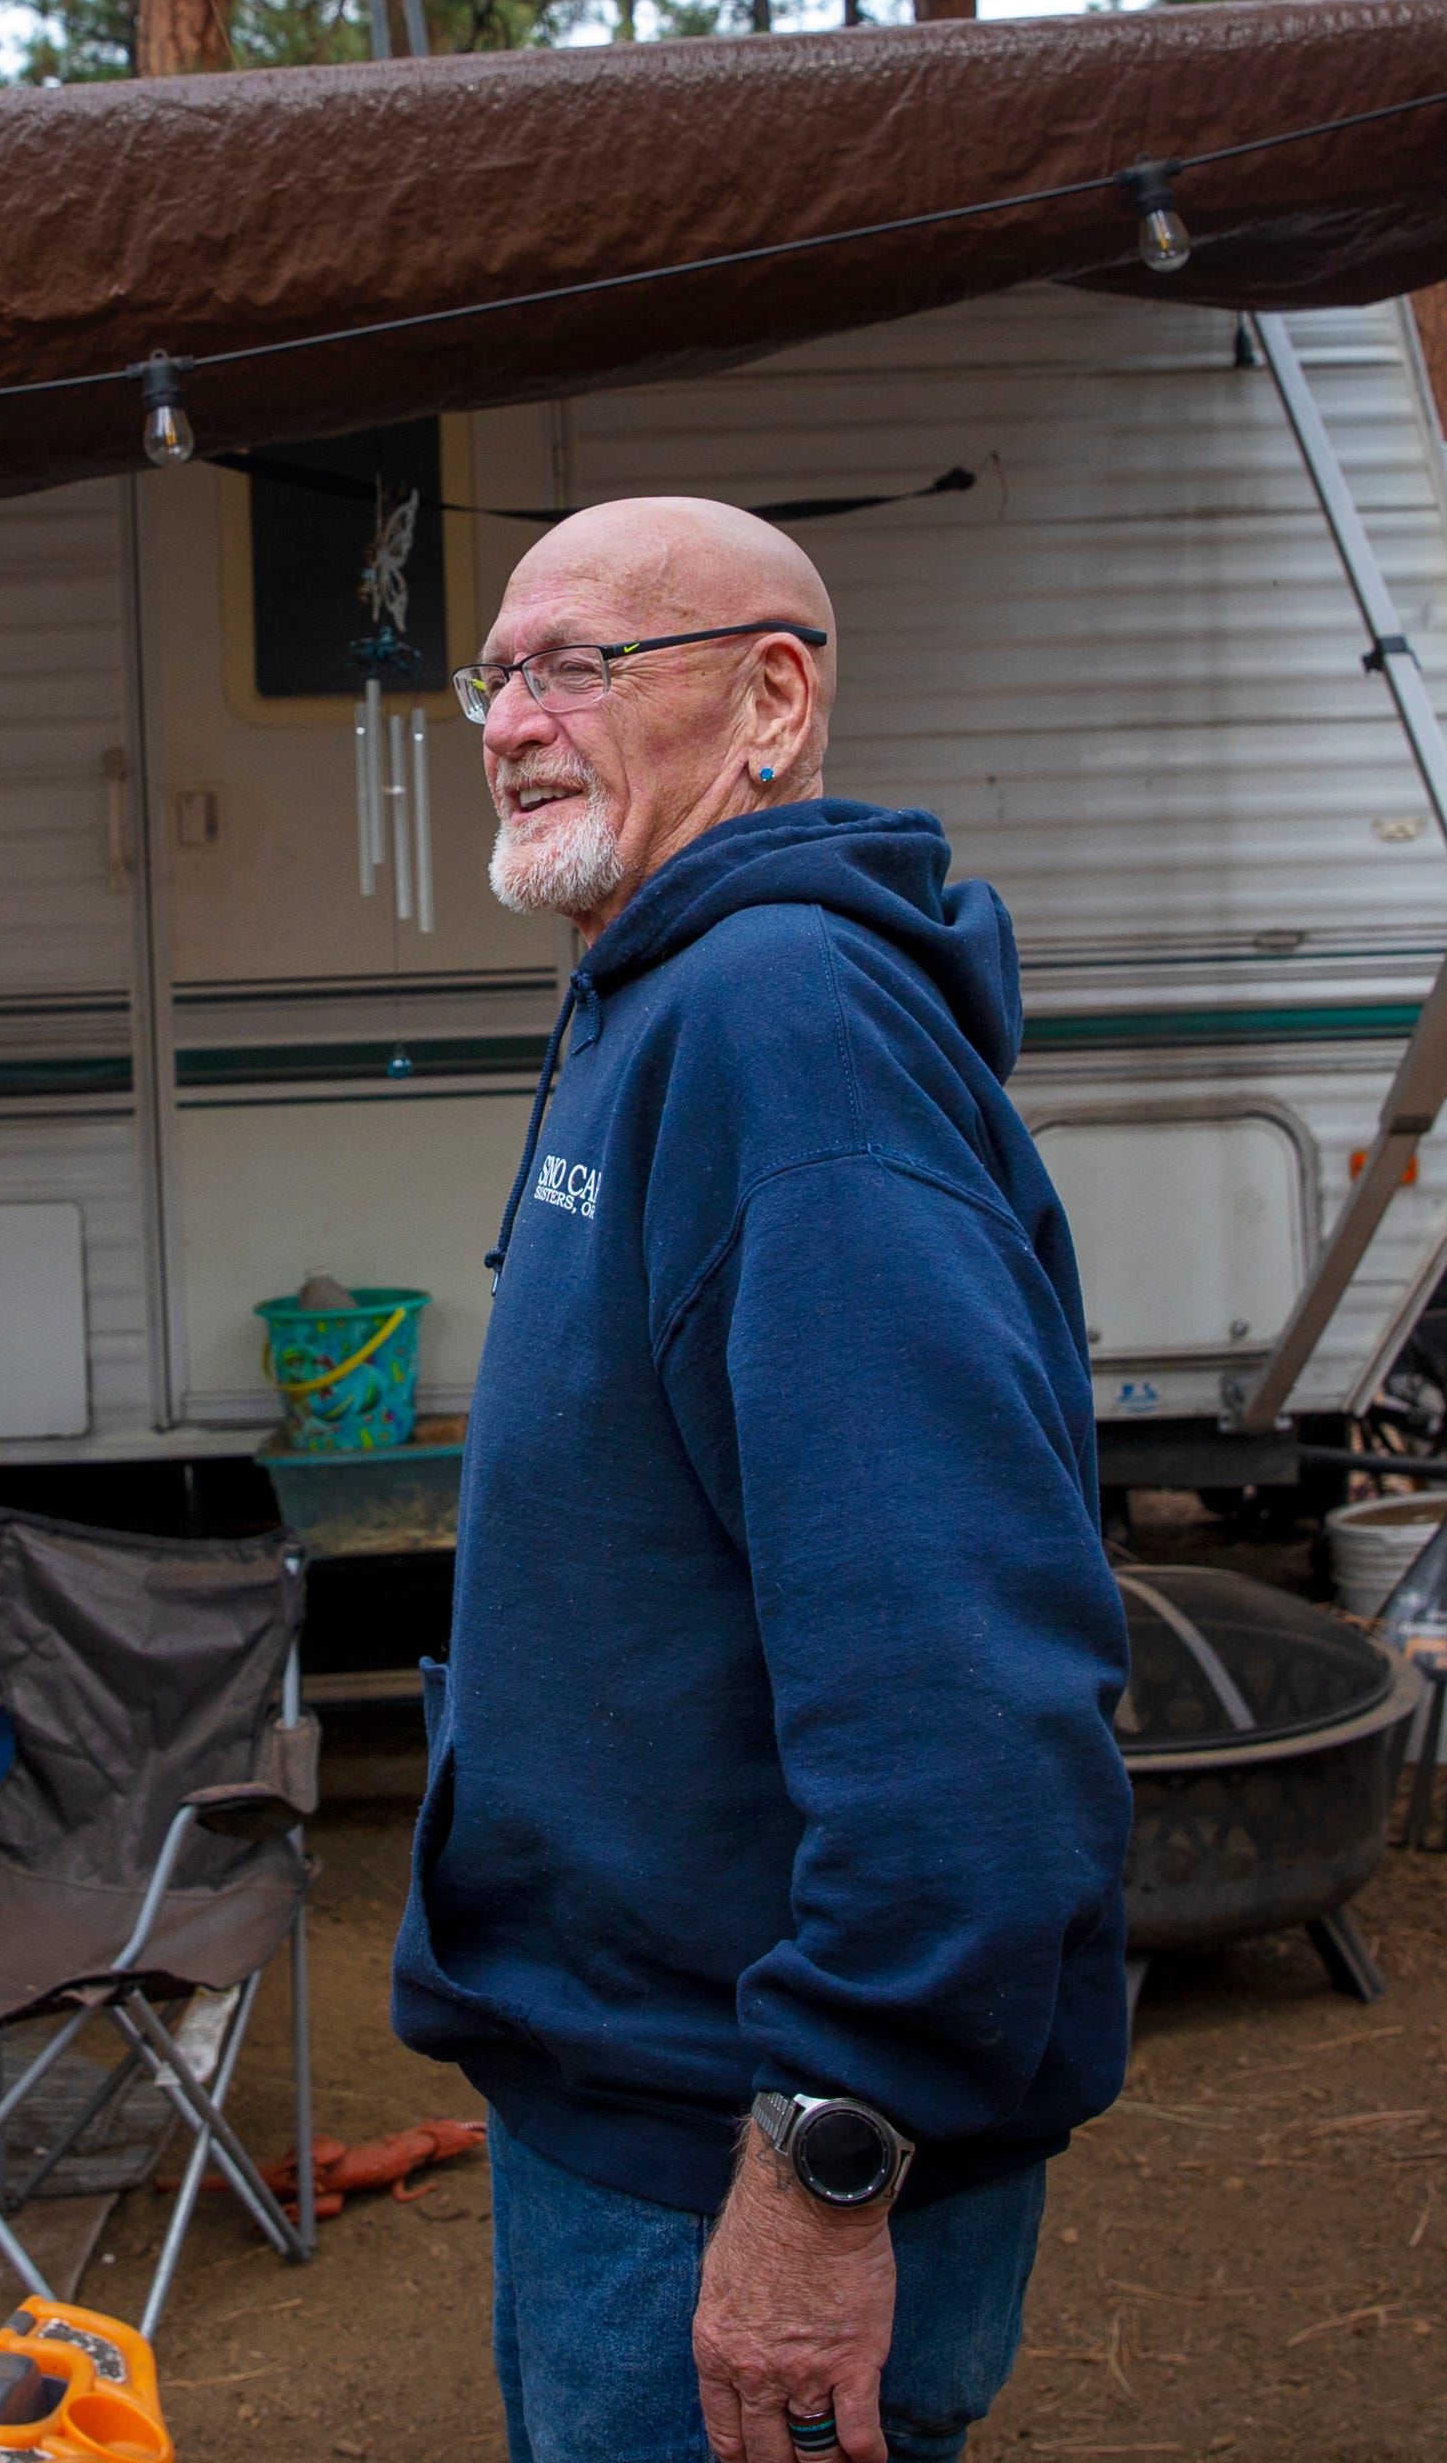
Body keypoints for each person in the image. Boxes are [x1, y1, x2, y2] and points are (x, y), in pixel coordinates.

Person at [394, 497, 1130, 2463]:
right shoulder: (649, 986)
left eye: (576, 664)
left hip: (729, 2140)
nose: (511, 715)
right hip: (626, 2101)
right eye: (495, 673)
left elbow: (957, 1686)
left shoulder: (781, 1024)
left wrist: (822, 2170)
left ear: (770, 702)